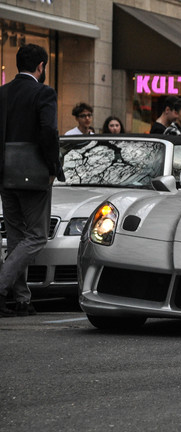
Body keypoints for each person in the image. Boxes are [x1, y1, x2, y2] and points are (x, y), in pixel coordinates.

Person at [0, 44, 64, 317]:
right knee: (37, 236)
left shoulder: (2, 93)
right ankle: (3, 287)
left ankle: (22, 299)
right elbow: (48, 130)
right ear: (41, 66)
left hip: (5, 173)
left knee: (16, 238)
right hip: (33, 171)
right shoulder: (43, 92)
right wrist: (53, 167)